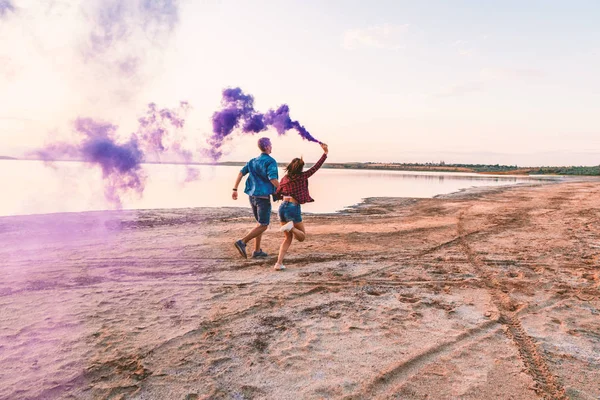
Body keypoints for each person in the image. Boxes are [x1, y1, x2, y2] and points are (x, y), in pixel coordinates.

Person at [272, 142, 328, 271]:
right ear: (300, 168)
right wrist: (325, 153)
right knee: (301, 236)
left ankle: (278, 263)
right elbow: (316, 167)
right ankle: (291, 228)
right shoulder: (303, 176)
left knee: (287, 238)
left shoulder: (285, 178)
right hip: (293, 207)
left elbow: (278, 192)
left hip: (282, 208)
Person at [232, 137, 279, 259]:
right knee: (264, 225)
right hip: (262, 197)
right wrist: (283, 190)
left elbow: (241, 173)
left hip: (252, 196)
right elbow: (272, 178)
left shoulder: (252, 161)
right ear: (268, 146)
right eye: (271, 145)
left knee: (259, 224)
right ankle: (242, 242)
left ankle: (257, 251)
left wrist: (235, 189)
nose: (272, 147)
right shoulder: (270, 161)